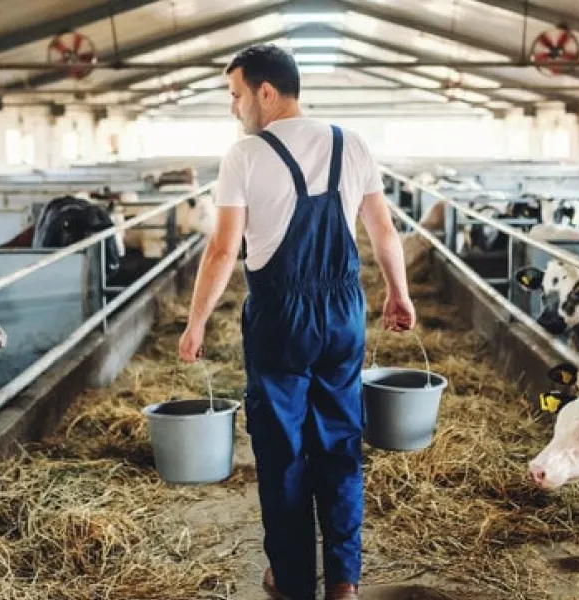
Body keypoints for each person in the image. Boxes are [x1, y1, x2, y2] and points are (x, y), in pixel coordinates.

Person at [177, 44, 416, 600]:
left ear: (266, 91)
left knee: (282, 449)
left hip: (279, 315)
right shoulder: (350, 143)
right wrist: (398, 294)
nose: (233, 108)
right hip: (343, 312)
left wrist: (196, 324)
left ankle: (290, 576)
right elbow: (384, 231)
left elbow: (221, 251)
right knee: (339, 443)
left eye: (236, 95)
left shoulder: (245, 155)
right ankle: (344, 581)